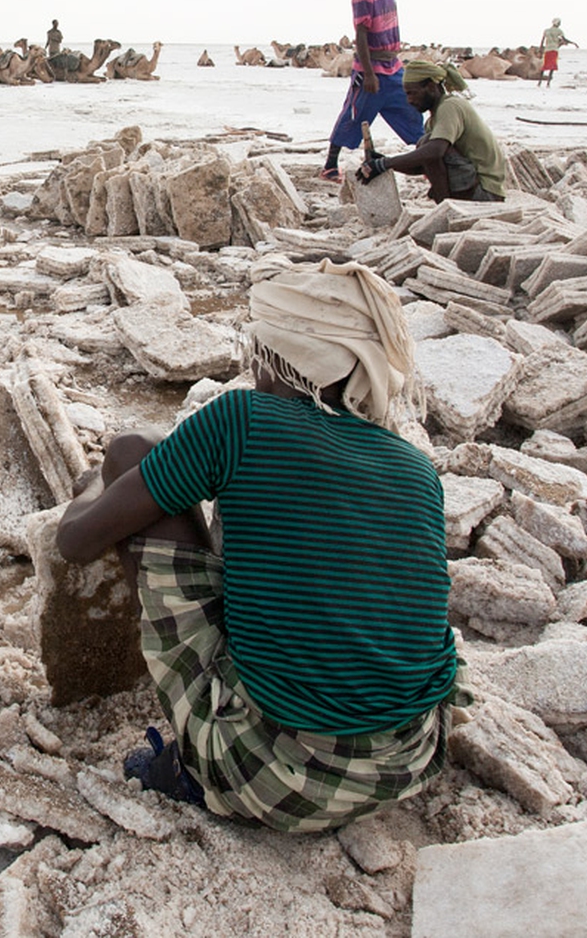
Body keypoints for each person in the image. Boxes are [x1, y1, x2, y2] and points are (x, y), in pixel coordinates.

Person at [54, 262, 466, 831]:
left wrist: (91, 489)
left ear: (272, 354)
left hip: (275, 778)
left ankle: (195, 770)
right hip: (409, 761)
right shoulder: (416, 468)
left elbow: (74, 542)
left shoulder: (242, 419)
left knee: (132, 450)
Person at [322, 0, 421, 183]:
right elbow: (361, 34)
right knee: (353, 116)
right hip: (371, 68)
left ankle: (428, 158)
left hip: (393, 67)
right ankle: (330, 165)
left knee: (411, 111)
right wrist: (368, 73)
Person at [358, 62, 508, 202]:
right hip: (478, 187)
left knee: (427, 143)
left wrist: (385, 163)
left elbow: (435, 152)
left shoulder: (450, 106)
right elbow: (421, 165)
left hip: (486, 191)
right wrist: (383, 162)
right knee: (425, 145)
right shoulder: (433, 120)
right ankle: (445, 202)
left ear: (431, 87)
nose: (409, 100)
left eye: (413, 93)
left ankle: (445, 203)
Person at [537, 18, 578, 86]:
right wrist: (573, 43)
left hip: (547, 50)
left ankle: (539, 82)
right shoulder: (559, 31)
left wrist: (540, 50)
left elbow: (542, 41)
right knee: (552, 67)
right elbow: (564, 39)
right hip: (554, 50)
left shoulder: (546, 31)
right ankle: (548, 83)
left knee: (544, 66)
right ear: (558, 23)